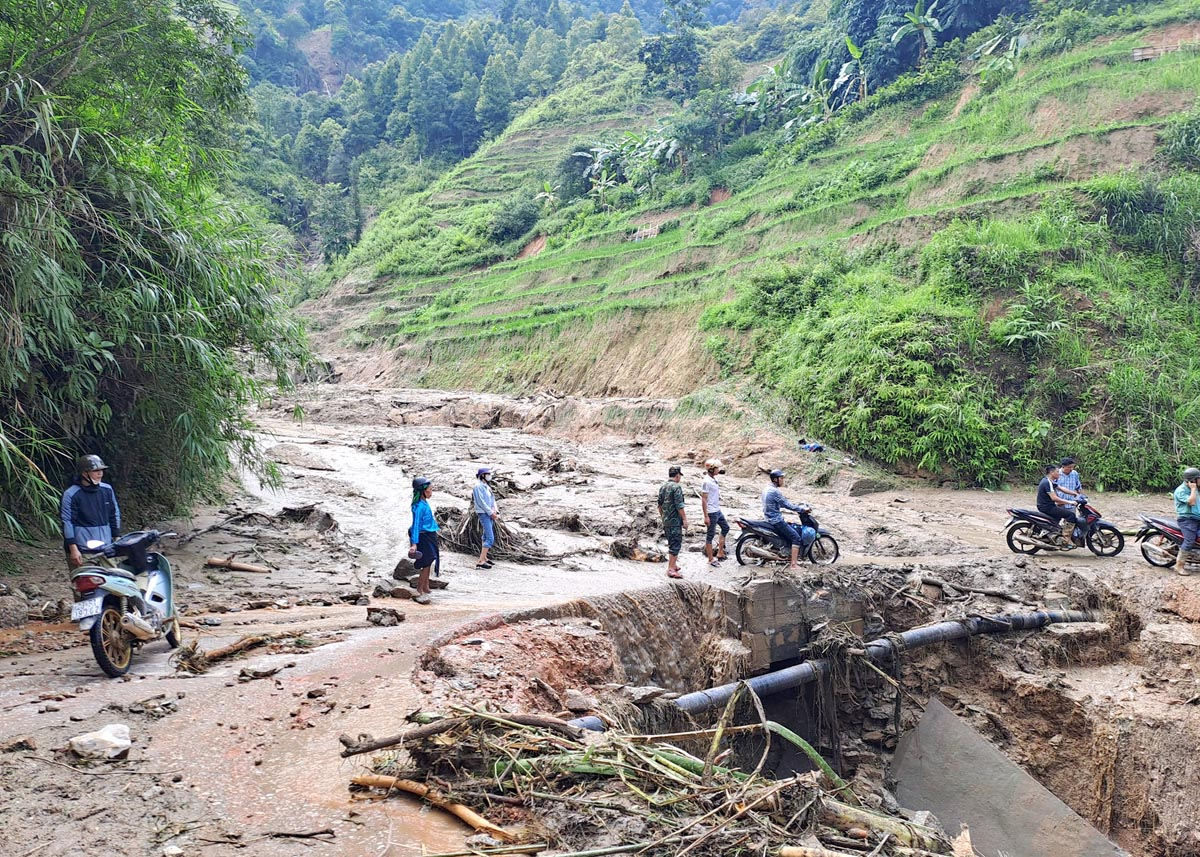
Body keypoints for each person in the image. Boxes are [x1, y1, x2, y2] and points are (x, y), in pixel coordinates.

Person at [61, 454, 121, 571]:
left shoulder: (107, 490)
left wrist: (116, 539)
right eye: (96, 471)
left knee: (113, 582)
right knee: (85, 585)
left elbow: (114, 514)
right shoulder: (71, 494)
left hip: (106, 547)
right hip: (82, 550)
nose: (100, 474)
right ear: (84, 473)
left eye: (101, 470)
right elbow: (67, 522)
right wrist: (73, 549)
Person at [762, 469, 808, 570]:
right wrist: (802, 509)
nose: (783, 480)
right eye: (781, 478)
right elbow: (787, 505)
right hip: (776, 521)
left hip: (768, 518)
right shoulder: (774, 491)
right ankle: (794, 564)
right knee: (796, 538)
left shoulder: (767, 489)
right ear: (775, 480)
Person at [409, 477, 440, 604]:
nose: (431, 492)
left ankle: (426, 586)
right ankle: (420, 588)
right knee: (426, 562)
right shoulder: (419, 507)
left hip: (430, 534)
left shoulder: (423, 502)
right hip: (423, 536)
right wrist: (414, 543)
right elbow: (415, 525)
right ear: (423, 491)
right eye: (430, 489)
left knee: (431, 559)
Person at [1037, 464, 1083, 546]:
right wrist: (1070, 502)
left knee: (1057, 519)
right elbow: (1054, 498)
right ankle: (1066, 539)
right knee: (1071, 515)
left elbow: (1062, 489)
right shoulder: (1047, 483)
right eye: (1057, 472)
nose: (1059, 474)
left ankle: (1051, 535)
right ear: (1051, 473)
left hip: (1047, 506)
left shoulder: (1049, 481)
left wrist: (1075, 494)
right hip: (1047, 507)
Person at [657, 465, 688, 579]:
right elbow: (679, 505)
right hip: (675, 521)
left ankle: (673, 564)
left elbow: (659, 505)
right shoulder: (676, 487)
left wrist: (663, 517)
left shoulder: (663, 486)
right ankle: (670, 569)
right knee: (676, 543)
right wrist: (684, 519)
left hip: (666, 520)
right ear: (678, 475)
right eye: (680, 475)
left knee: (671, 542)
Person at [701, 458, 729, 568]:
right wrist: (706, 516)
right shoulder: (706, 481)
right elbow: (704, 499)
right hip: (711, 512)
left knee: (726, 527)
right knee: (710, 535)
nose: (719, 470)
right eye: (717, 468)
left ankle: (720, 552)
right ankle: (710, 559)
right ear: (712, 469)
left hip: (717, 510)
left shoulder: (713, 479)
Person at [1174, 466, 1200, 575]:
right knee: (1189, 540)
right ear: (1192, 480)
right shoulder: (1181, 490)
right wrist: (1193, 489)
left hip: (1197, 518)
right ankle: (1179, 566)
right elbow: (1192, 502)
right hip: (1187, 520)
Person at [472, 467, 499, 570]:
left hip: (490, 513)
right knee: (490, 537)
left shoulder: (486, 486)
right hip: (484, 513)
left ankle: (485, 557)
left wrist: (495, 510)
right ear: (482, 475)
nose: (489, 476)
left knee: (485, 535)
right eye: (488, 474)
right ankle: (481, 561)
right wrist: (490, 512)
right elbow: (481, 502)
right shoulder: (478, 487)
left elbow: (492, 500)